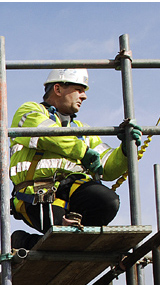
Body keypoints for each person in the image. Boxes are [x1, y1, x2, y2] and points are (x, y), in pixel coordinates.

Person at [9, 68, 142, 248]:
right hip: (37, 196)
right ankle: (25, 241)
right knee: (61, 238)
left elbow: (107, 167)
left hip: (73, 191)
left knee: (106, 201)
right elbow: (48, 135)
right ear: (58, 89)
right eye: (79, 89)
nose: (84, 96)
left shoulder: (82, 129)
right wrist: (83, 152)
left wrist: (125, 150)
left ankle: (34, 243)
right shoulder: (29, 111)